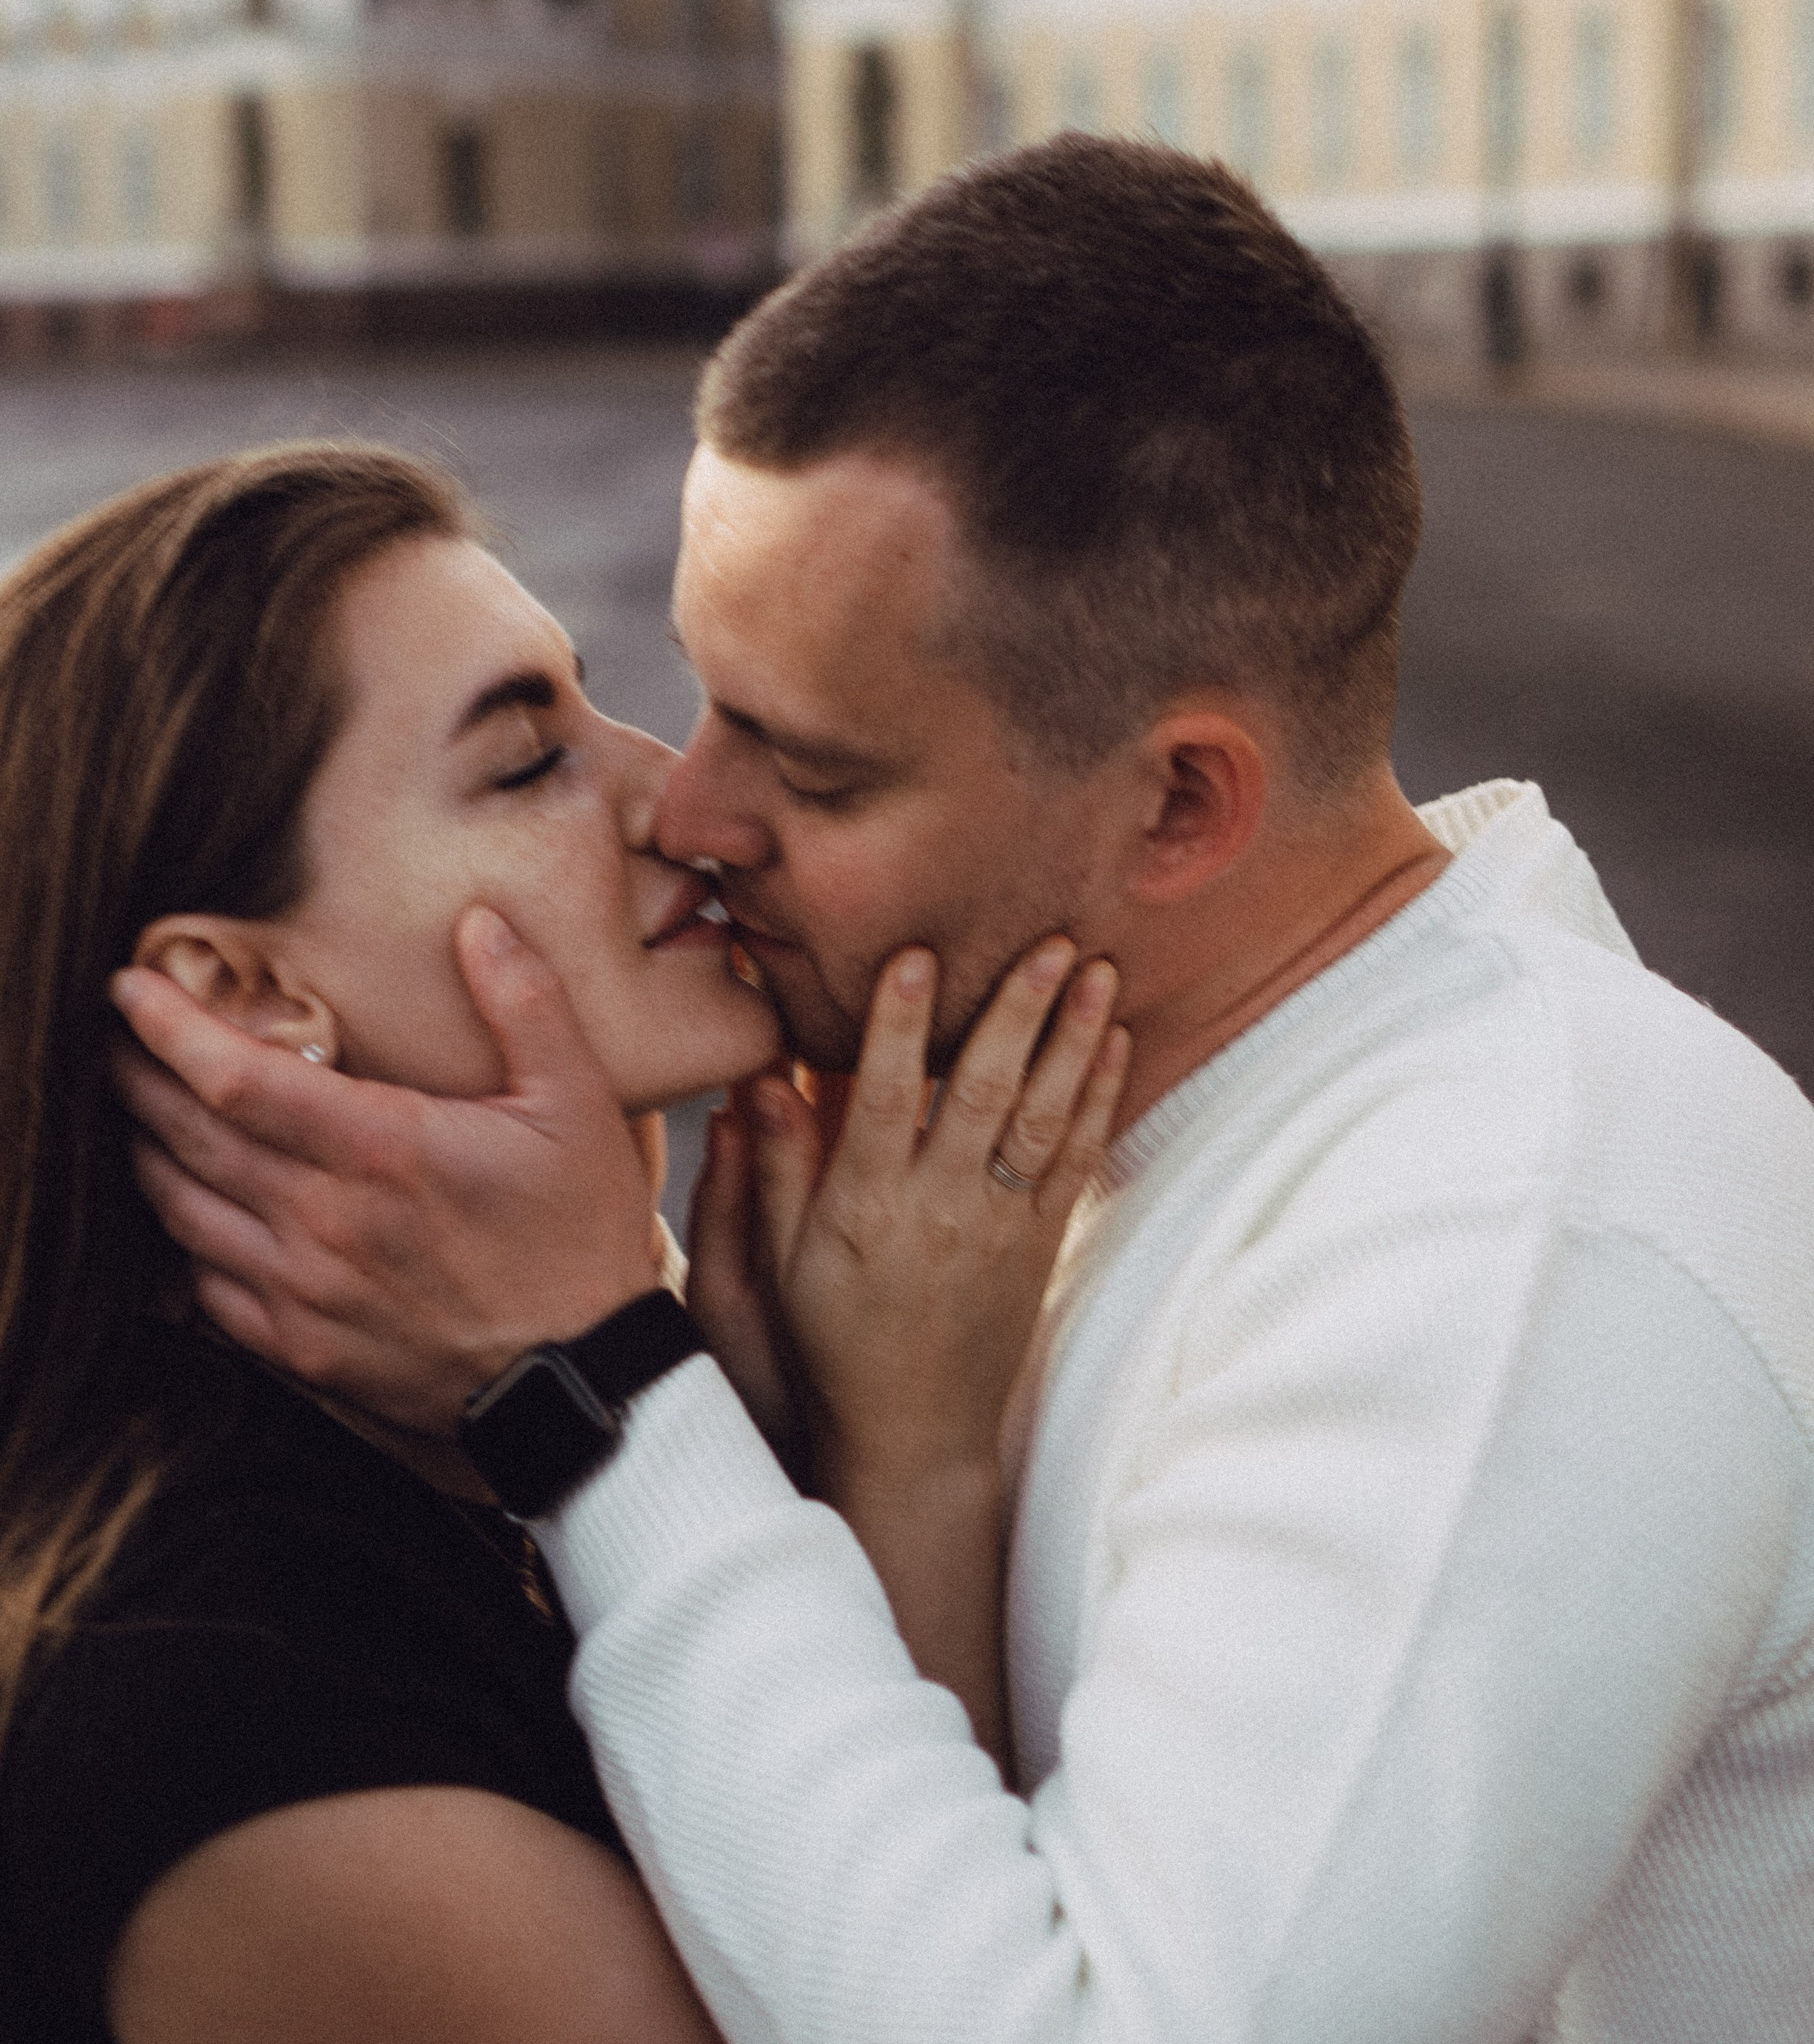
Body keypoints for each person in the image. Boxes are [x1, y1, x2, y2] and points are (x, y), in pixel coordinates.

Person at [120, 139, 1814, 2041]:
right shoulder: (1051, 1160)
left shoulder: (1513, 1230)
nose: (692, 814)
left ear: (1178, 804)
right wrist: (858, 1454)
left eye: (811, 771)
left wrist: (599, 1397)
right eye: (701, 696)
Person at [0, 436, 1126, 2044]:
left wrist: (749, 1419)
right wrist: (881, 1452)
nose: (675, 793)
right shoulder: (236, 1722)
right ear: (242, 998)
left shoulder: (407, 1474)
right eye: (527, 762)